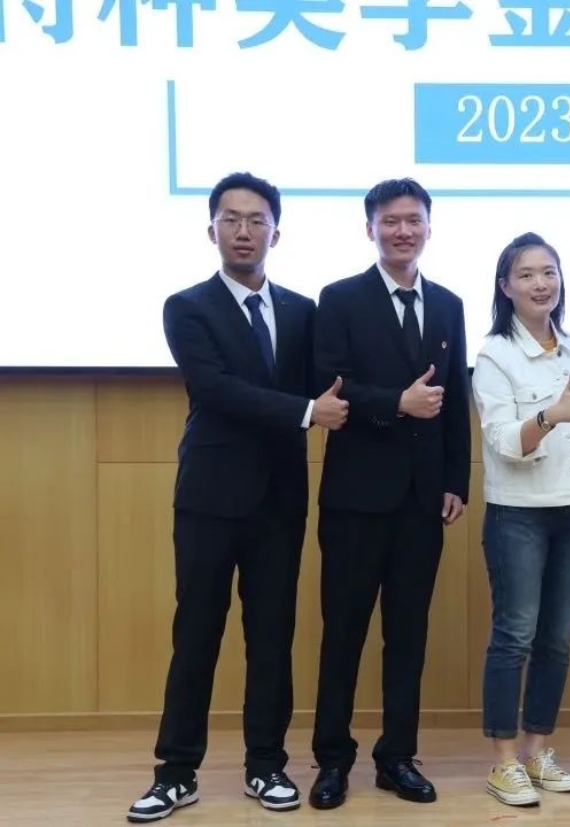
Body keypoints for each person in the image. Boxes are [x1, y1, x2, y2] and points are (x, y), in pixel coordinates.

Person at [128, 172, 349, 823]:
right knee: (196, 634)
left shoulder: (304, 311)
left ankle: (266, 764)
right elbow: (216, 389)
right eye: (232, 219)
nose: (244, 230)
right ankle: (175, 772)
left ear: (276, 233)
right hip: (209, 497)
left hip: (279, 499)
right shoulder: (187, 307)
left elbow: (334, 383)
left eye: (257, 220)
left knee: (272, 637)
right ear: (212, 230)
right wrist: (306, 411)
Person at [307, 177, 471, 810]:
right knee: (343, 634)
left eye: (413, 220)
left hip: (422, 501)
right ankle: (332, 759)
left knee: (408, 635)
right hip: (355, 498)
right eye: (391, 221)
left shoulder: (449, 304)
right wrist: (396, 403)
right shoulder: (340, 298)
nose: (403, 231)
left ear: (429, 225)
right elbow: (329, 384)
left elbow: (454, 398)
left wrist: (456, 480)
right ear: (370, 228)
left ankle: (397, 755)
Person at [471, 232, 570, 807]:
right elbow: (503, 440)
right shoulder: (494, 355)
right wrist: (551, 416)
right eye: (527, 274)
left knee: (557, 638)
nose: (541, 283)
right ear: (506, 287)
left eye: (549, 272)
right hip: (519, 515)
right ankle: (503, 760)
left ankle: (537, 750)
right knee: (515, 635)